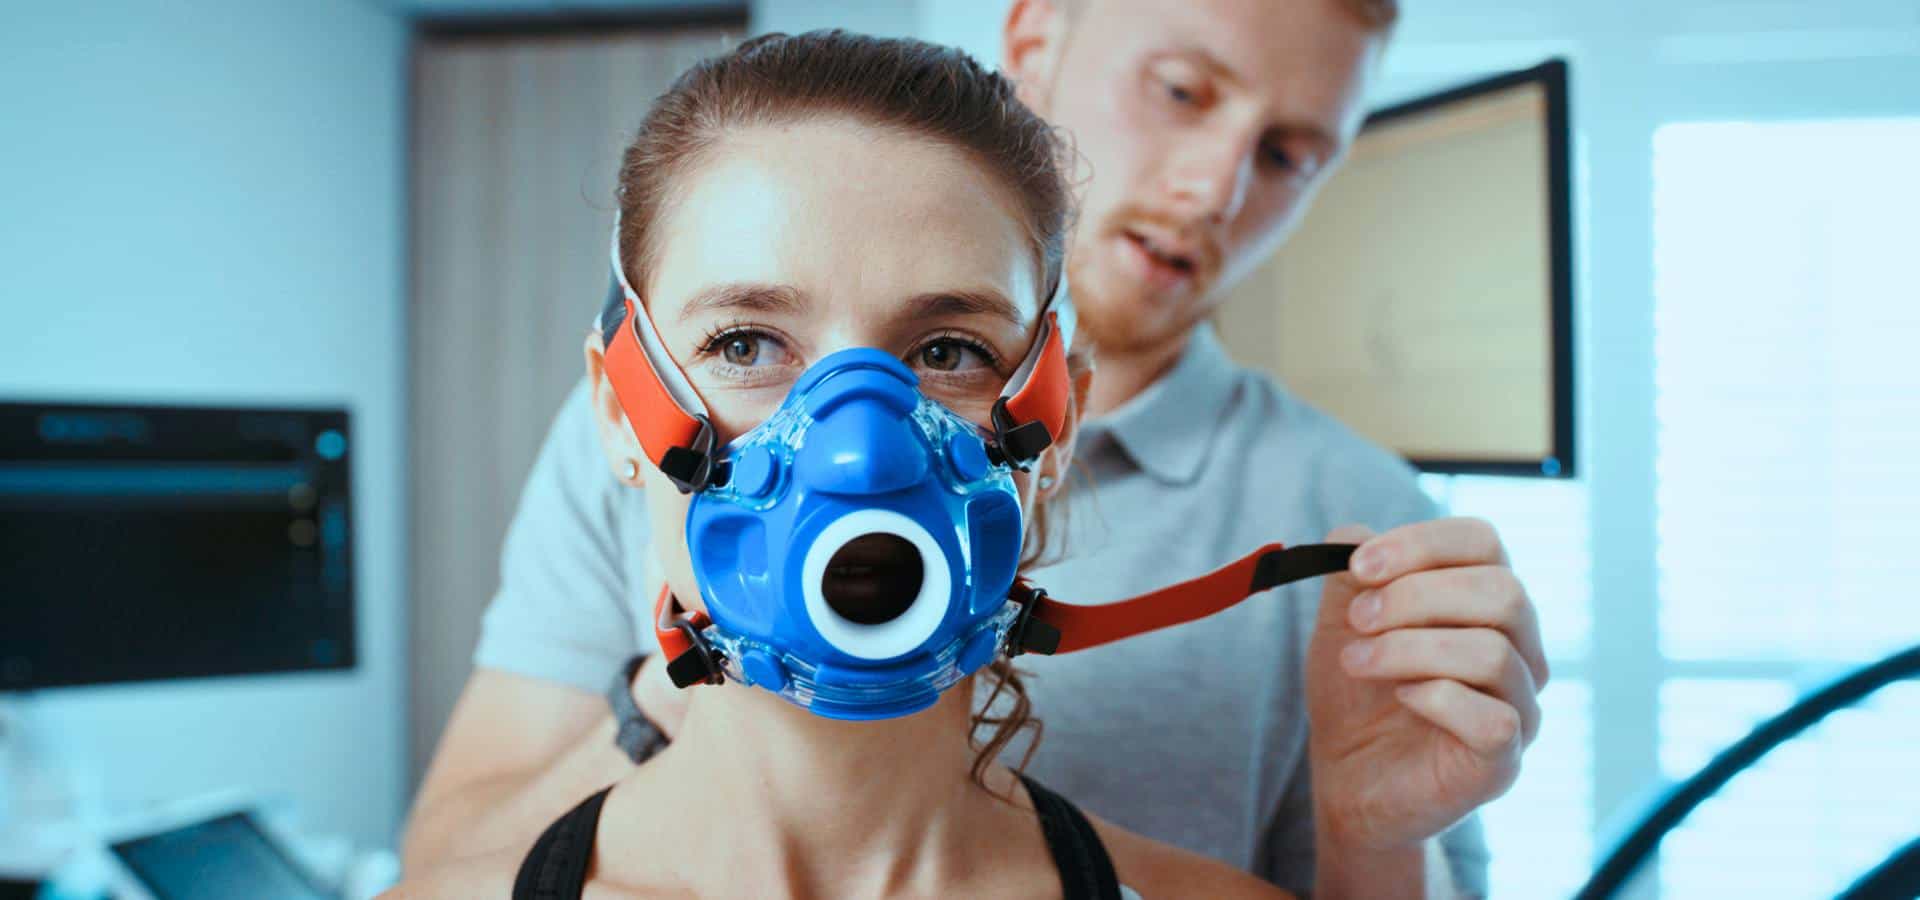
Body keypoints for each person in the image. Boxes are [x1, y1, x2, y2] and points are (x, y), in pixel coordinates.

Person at [405, 1, 1549, 897]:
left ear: (1056, 422)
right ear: (620, 411)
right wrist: (693, 679)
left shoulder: (1351, 519)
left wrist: (1375, 844)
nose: (856, 454)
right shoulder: (628, 452)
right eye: (749, 340)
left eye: (949, 350)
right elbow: (454, 848)